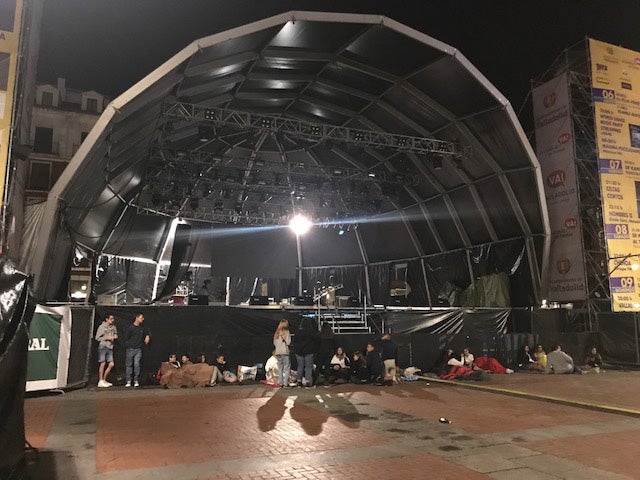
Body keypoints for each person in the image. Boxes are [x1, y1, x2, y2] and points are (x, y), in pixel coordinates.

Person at [124, 313, 150, 387]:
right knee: (129, 364)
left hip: (138, 349)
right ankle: (128, 380)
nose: (143, 319)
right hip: (130, 349)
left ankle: (136, 380)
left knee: (137, 364)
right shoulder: (130, 328)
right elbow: (126, 338)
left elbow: (147, 333)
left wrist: (147, 336)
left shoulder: (142, 328)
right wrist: (129, 345)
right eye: (141, 317)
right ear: (137, 318)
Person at [293, 318, 320, 387]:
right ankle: (308, 381)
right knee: (308, 367)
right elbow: (316, 340)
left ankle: (299, 381)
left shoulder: (298, 332)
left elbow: (294, 341)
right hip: (309, 351)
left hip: (299, 351)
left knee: (300, 367)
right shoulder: (311, 332)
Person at [95, 314, 118, 388]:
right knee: (103, 363)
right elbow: (97, 338)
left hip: (110, 347)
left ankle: (104, 379)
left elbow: (116, 335)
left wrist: (114, 337)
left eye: (113, 319)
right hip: (103, 346)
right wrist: (106, 337)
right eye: (111, 319)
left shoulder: (113, 327)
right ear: (107, 319)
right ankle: (100, 380)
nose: (112, 320)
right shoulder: (102, 327)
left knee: (111, 364)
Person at [274, 320, 291, 387]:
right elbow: (288, 342)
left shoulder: (276, 333)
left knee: (280, 368)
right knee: (286, 368)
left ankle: (280, 383)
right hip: (285, 352)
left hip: (278, 352)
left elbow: (274, 343)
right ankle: (285, 383)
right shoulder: (287, 332)